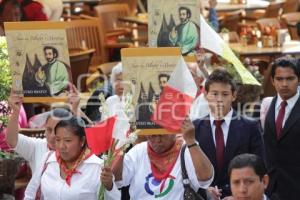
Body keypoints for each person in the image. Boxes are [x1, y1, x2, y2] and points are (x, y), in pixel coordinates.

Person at [193, 68, 265, 199]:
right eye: (214, 94)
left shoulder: (250, 127)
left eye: (225, 94)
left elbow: (259, 167)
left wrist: (236, 195)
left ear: (234, 95)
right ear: (205, 95)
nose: (219, 99)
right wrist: (204, 190)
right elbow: (188, 170)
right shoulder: (194, 128)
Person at [113, 117, 214, 199]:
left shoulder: (187, 150)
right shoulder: (138, 152)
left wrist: (191, 141)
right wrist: (122, 143)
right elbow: (117, 179)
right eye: (152, 135)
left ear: (174, 132)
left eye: (163, 135)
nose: (158, 140)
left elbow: (206, 178)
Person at [24, 116, 120, 199]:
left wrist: (109, 186)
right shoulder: (48, 160)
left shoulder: (97, 168)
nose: (61, 146)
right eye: (58, 140)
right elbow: (30, 194)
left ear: (82, 141)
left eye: (68, 140)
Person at [6, 86, 90, 173]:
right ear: (44, 128)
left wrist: (76, 110)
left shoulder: (75, 150)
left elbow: (92, 138)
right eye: (49, 130)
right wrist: (16, 111)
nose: (52, 136)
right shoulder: (37, 146)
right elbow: (11, 140)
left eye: (58, 131)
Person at [263, 57, 300, 200]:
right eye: (279, 79)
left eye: (290, 79)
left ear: (298, 79)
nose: (284, 84)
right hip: (271, 189)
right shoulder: (266, 105)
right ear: (272, 81)